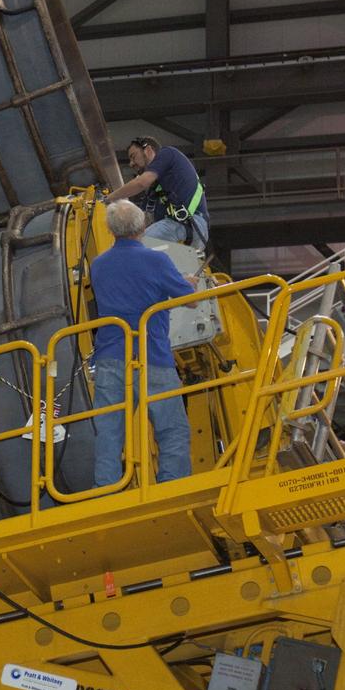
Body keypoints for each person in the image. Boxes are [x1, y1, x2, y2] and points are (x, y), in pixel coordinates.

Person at [89, 200, 195, 487]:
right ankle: (172, 488)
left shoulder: (98, 267)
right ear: (143, 226)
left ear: (111, 230)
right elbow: (190, 297)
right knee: (171, 428)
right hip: (153, 356)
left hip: (110, 358)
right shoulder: (157, 261)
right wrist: (188, 281)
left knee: (109, 432)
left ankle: (106, 492)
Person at [103, 136, 209, 251]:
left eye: (133, 157)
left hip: (189, 224)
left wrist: (108, 199)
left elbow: (141, 183)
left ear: (148, 150)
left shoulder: (167, 153)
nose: (131, 164)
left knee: (132, 248)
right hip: (180, 227)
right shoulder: (155, 190)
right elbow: (142, 221)